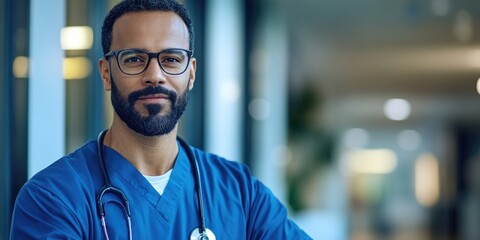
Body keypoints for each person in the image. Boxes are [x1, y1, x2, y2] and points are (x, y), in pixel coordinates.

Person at [9, 0, 312, 239]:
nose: (154, 75)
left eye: (171, 59)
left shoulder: (240, 193)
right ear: (105, 73)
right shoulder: (53, 198)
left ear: (191, 73)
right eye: (134, 59)